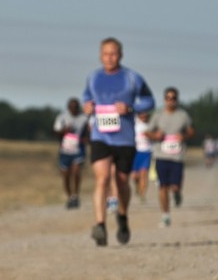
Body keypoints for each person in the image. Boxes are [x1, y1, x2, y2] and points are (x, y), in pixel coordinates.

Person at [83, 37, 155, 246]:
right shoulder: (93, 78)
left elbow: (149, 101)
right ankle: (100, 225)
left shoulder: (132, 78)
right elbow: (86, 98)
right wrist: (87, 106)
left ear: (120, 55)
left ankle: (122, 216)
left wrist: (131, 108)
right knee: (102, 179)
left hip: (124, 139)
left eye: (113, 53)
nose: (109, 58)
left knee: (122, 182)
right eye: (105, 54)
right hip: (100, 136)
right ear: (100, 55)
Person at [146, 87, 194, 227]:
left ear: (177, 100)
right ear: (164, 99)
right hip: (161, 155)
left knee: (174, 186)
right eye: (168, 98)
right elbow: (147, 132)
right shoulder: (158, 115)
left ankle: (177, 193)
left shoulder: (183, 115)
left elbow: (191, 131)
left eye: (173, 98)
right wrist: (155, 136)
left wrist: (184, 136)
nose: (170, 101)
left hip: (177, 157)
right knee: (162, 186)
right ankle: (165, 215)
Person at [53, 97, 88, 209]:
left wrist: (86, 139)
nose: (74, 109)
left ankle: (76, 195)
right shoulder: (62, 117)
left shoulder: (84, 118)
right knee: (66, 175)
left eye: (76, 107)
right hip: (65, 150)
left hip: (78, 150)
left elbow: (89, 131)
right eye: (72, 108)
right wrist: (64, 131)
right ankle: (69, 197)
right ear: (68, 108)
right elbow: (56, 131)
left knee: (76, 171)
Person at [131, 112, 152, 203]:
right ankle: (137, 186)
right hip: (135, 152)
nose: (144, 116)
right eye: (142, 114)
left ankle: (142, 194)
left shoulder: (151, 124)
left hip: (146, 152)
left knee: (144, 174)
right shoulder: (134, 123)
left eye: (145, 114)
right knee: (135, 176)